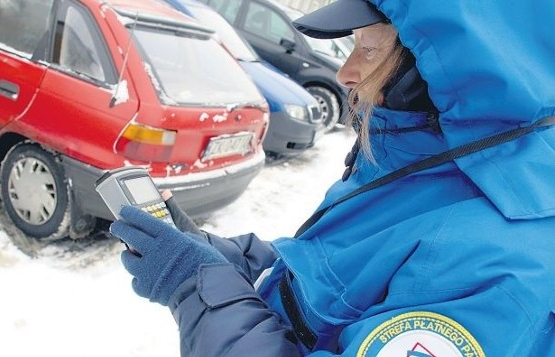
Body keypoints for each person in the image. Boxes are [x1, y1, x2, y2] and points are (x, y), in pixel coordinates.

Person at [109, 0, 555, 355]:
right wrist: (217, 255)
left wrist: (198, 287)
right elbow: (327, 268)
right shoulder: (420, 164)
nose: (344, 73)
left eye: (369, 48)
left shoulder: (494, 261)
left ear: (439, 71)